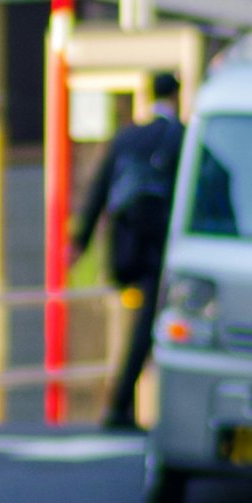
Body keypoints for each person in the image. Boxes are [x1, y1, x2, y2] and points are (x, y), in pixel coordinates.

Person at [72, 94, 184, 433]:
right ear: (176, 97)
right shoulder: (181, 136)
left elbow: (100, 188)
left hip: (126, 247)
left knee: (143, 324)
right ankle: (123, 403)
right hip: (162, 249)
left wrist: (81, 240)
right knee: (151, 325)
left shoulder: (127, 137)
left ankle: (122, 402)